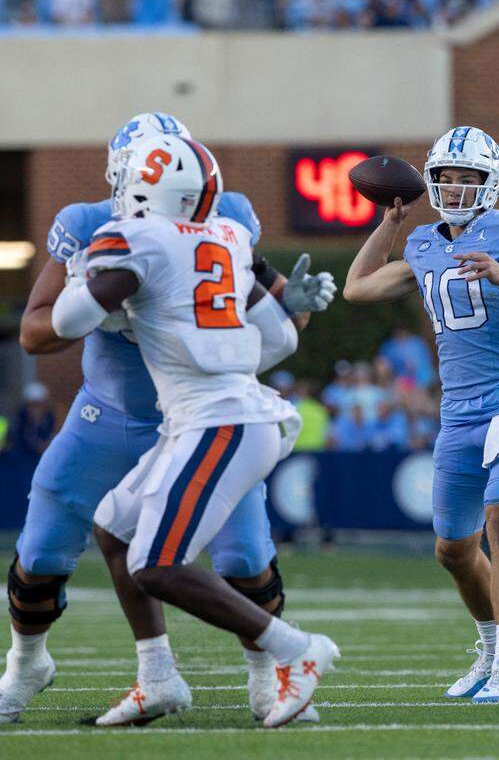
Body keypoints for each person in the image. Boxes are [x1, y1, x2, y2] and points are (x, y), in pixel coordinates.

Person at [1, 113, 335, 726]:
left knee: (241, 560)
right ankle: (43, 666)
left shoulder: (194, 230)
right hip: (118, 412)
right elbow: (36, 333)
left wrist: (98, 299)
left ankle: (277, 668)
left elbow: (271, 313)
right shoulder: (109, 225)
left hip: (208, 417)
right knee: (58, 546)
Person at [344, 125, 499, 703]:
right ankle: (493, 643)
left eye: (466, 177)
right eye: (444, 177)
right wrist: (390, 225)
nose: (454, 187)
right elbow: (358, 288)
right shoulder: (423, 242)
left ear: (489, 182)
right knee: (452, 549)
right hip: (459, 410)